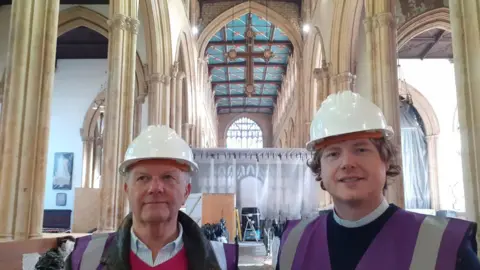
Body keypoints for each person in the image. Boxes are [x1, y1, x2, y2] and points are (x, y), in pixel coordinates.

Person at [276, 91, 480, 270]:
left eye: (361, 149)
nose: (347, 163)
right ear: (320, 168)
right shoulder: (293, 243)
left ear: (386, 159)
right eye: (333, 154)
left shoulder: (444, 244)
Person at [66, 125, 238, 270]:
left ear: (186, 192)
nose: (155, 188)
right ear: (127, 190)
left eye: (168, 177)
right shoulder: (86, 257)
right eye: (143, 178)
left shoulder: (223, 260)